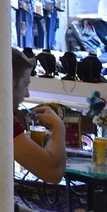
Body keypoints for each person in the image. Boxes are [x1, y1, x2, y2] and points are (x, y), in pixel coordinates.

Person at [12, 48, 66, 183]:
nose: (27, 94)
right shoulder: (4, 122)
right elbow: (53, 173)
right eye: (25, 85)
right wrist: (58, 127)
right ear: (11, 83)